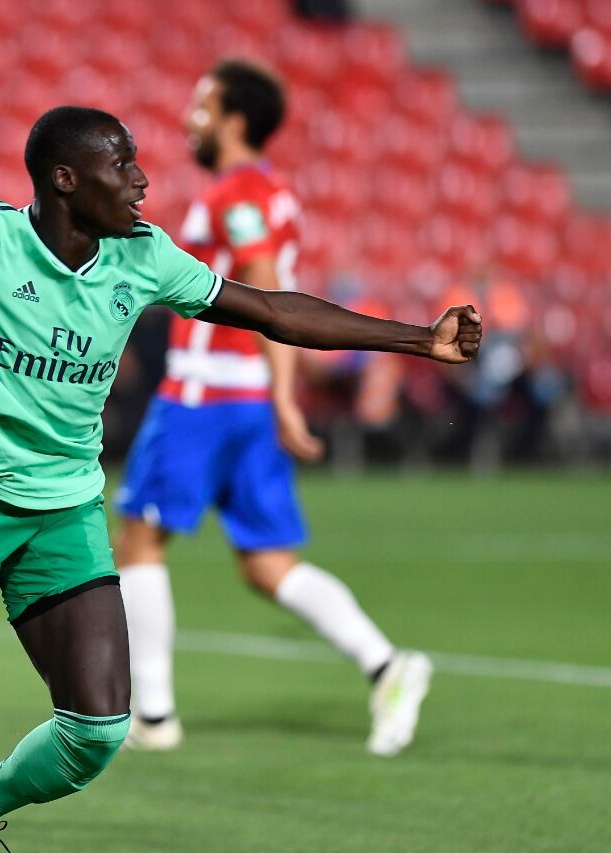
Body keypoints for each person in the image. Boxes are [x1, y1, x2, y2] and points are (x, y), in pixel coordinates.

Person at [0, 104, 482, 852]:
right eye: (123, 164)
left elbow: (270, 309)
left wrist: (419, 339)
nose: (143, 181)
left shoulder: (142, 254)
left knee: (98, 731)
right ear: (66, 179)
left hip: (64, 511)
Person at [113, 60, 432, 758]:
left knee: (139, 539)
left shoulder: (237, 191)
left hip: (205, 392)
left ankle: (156, 716)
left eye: (202, 103)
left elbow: (264, 288)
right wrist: (277, 396)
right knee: (264, 562)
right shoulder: (276, 189)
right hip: (247, 399)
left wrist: (287, 393)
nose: (189, 117)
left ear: (234, 120)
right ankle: (387, 664)